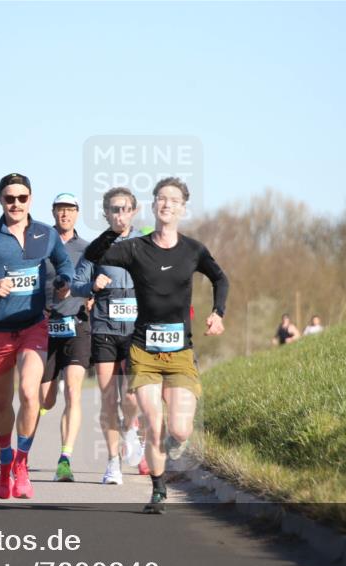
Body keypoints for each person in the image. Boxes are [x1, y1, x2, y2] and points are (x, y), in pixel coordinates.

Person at [84, 177, 228, 513]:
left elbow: (220, 277)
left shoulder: (193, 250)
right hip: (143, 351)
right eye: (161, 198)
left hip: (180, 353)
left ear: (182, 208)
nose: (167, 204)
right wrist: (114, 232)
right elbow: (94, 255)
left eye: (173, 200)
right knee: (152, 421)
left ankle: (173, 448)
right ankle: (158, 489)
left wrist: (218, 313)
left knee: (179, 429)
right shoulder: (136, 248)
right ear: (154, 206)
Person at [0, 173, 74, 500]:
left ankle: (22, 462)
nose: (16, 203)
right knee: (2, 403)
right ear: (1, 200)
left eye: (22, 198)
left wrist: (64, 280)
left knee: (30, 394)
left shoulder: (43, 234)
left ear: (30, 199)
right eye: (9, 198)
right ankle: (5, 464)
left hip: (34, 326)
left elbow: (64, 264)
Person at [72, 187, 144, 485]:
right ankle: (113, 463)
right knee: (106, 396)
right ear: (106, 214)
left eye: (125, 208)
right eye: (114, 209)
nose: (120, 214)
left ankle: (130, 428)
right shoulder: (97, 247)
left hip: (136, 329)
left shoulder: (145, 242)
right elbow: (76, 284)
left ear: (134, 211)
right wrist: (92, 285)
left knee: (131, 395)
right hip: (103, 328)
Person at [33, 193, 91, 482]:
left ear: (77, 214)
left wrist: (92, 295)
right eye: (60, 210)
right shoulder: (41, 244)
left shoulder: (87, 249)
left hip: (77, 325)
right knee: (46, 398)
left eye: (70, 210)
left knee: (73, 391)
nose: (65, 214)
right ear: (53, 213)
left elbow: (97, 279)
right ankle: (41, 408)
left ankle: (65, 458)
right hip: (46, 325)